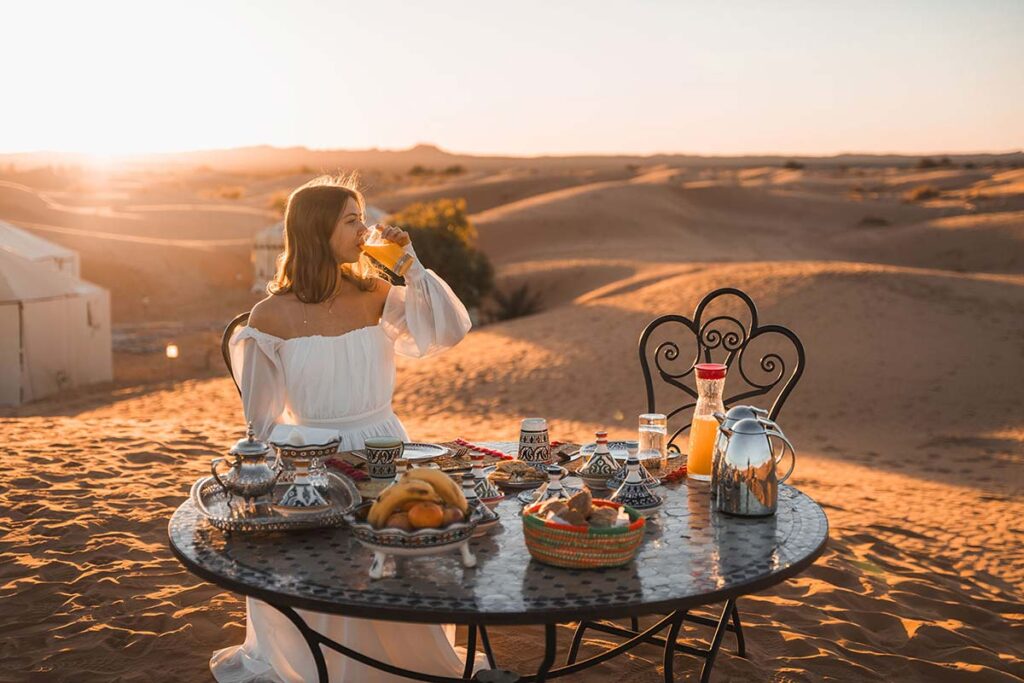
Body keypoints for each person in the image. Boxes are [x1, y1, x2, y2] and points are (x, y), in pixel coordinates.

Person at [212, 175, 475, 682]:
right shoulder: (270, 315)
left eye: (362, 217)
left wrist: (409, 264)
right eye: (351, 220)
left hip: (385, 448)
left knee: (396, 562)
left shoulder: (377, 292)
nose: (364, 228)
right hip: (308, 459)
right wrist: (268, 484)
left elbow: (447, 329)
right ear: (316, 230)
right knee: (319, 569)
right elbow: (261, 420)